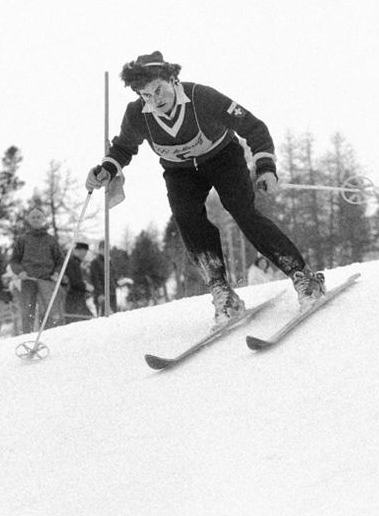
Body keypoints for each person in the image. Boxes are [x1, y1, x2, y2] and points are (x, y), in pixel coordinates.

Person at [85, 51, 324, 324]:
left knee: (242, 211)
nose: (154, 100)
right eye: (145, 95)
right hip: (180, 171)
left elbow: (254, 127)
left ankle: (303, 277)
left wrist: (266, 167)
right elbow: (124, 148)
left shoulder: (202, 97)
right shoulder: (137, 114)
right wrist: (106, 169)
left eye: (158, 90)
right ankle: (222, 291)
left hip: (223, 158)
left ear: (173, 79)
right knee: (186, 218)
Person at [8, 207, 65, 332]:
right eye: (33, 217)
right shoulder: (22, 240)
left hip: (47, 281)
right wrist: (20, 271)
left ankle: (49, 336)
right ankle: (27, 337)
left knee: (49, 312)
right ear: (28, 220)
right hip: (28, 281)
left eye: (38, 217)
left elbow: (60, 261)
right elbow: (14, 260)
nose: (36, 220)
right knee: (28, 312)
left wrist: (56, 273)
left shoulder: (51, 240)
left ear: (43, 219)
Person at [88, 240, 117, 316]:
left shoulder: (109, 262)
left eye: (108, 248)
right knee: (103, 318)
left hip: (112, 294)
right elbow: (95, 279)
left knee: (114, 316)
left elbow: (113, 277)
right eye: (105, 248)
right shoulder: (95, 263)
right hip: (102, 295)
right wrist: (100, 294)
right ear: (100, 249)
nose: (107, 251)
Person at [64, 242, 91, 322]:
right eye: (83, 252)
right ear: (77, 251)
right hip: (73, 298)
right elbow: (74, 281)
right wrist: (85, 286)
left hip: (77, 298)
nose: (84, 255)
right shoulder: (72, 263)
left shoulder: (77, 263)